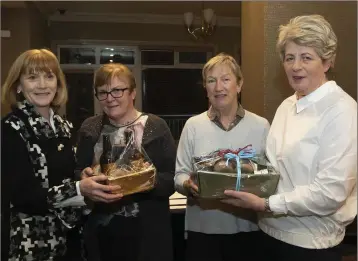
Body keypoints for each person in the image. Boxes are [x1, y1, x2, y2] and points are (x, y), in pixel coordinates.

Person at [223, 15, 357, 261]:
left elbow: (330, 193)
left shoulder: (342, 110)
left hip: (310, 246)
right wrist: (242, 173)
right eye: (289, 58)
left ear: (327, 62)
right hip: (268, 234)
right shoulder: (287, 105)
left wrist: (266, 205)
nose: (296, 66)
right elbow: (276, 166)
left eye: (306, 57)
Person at [1, 49, 123, 261]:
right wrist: (78, 188)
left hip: (68, 241)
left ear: (58, 83)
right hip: (30, 245)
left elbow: (62, 181)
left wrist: (83, 179)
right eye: (32, 77)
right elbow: (22, 196)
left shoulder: (62, 127)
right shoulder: (11, 128)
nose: (42, 84)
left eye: (49, 76)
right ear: (18, 86)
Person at [174, 53, 270, 261]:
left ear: (239, 84)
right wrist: (189, 185)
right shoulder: (193, 126)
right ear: (206, 89)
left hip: (249, 230)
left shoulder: (261, 126)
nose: (219, 87)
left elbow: (268, 174)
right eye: (211, 80)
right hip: (203, 231)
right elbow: (179, 176)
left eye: (226, 79)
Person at [76, 63, 176, 261]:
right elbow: (77, 171)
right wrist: (83, 178)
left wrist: (143, 181)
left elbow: (172, 180)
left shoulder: (156, 127)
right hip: (102, 236)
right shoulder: (89, 128)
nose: (110, 98)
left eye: (117, 91)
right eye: (103, 92)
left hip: (148, 238)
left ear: (133, 93)